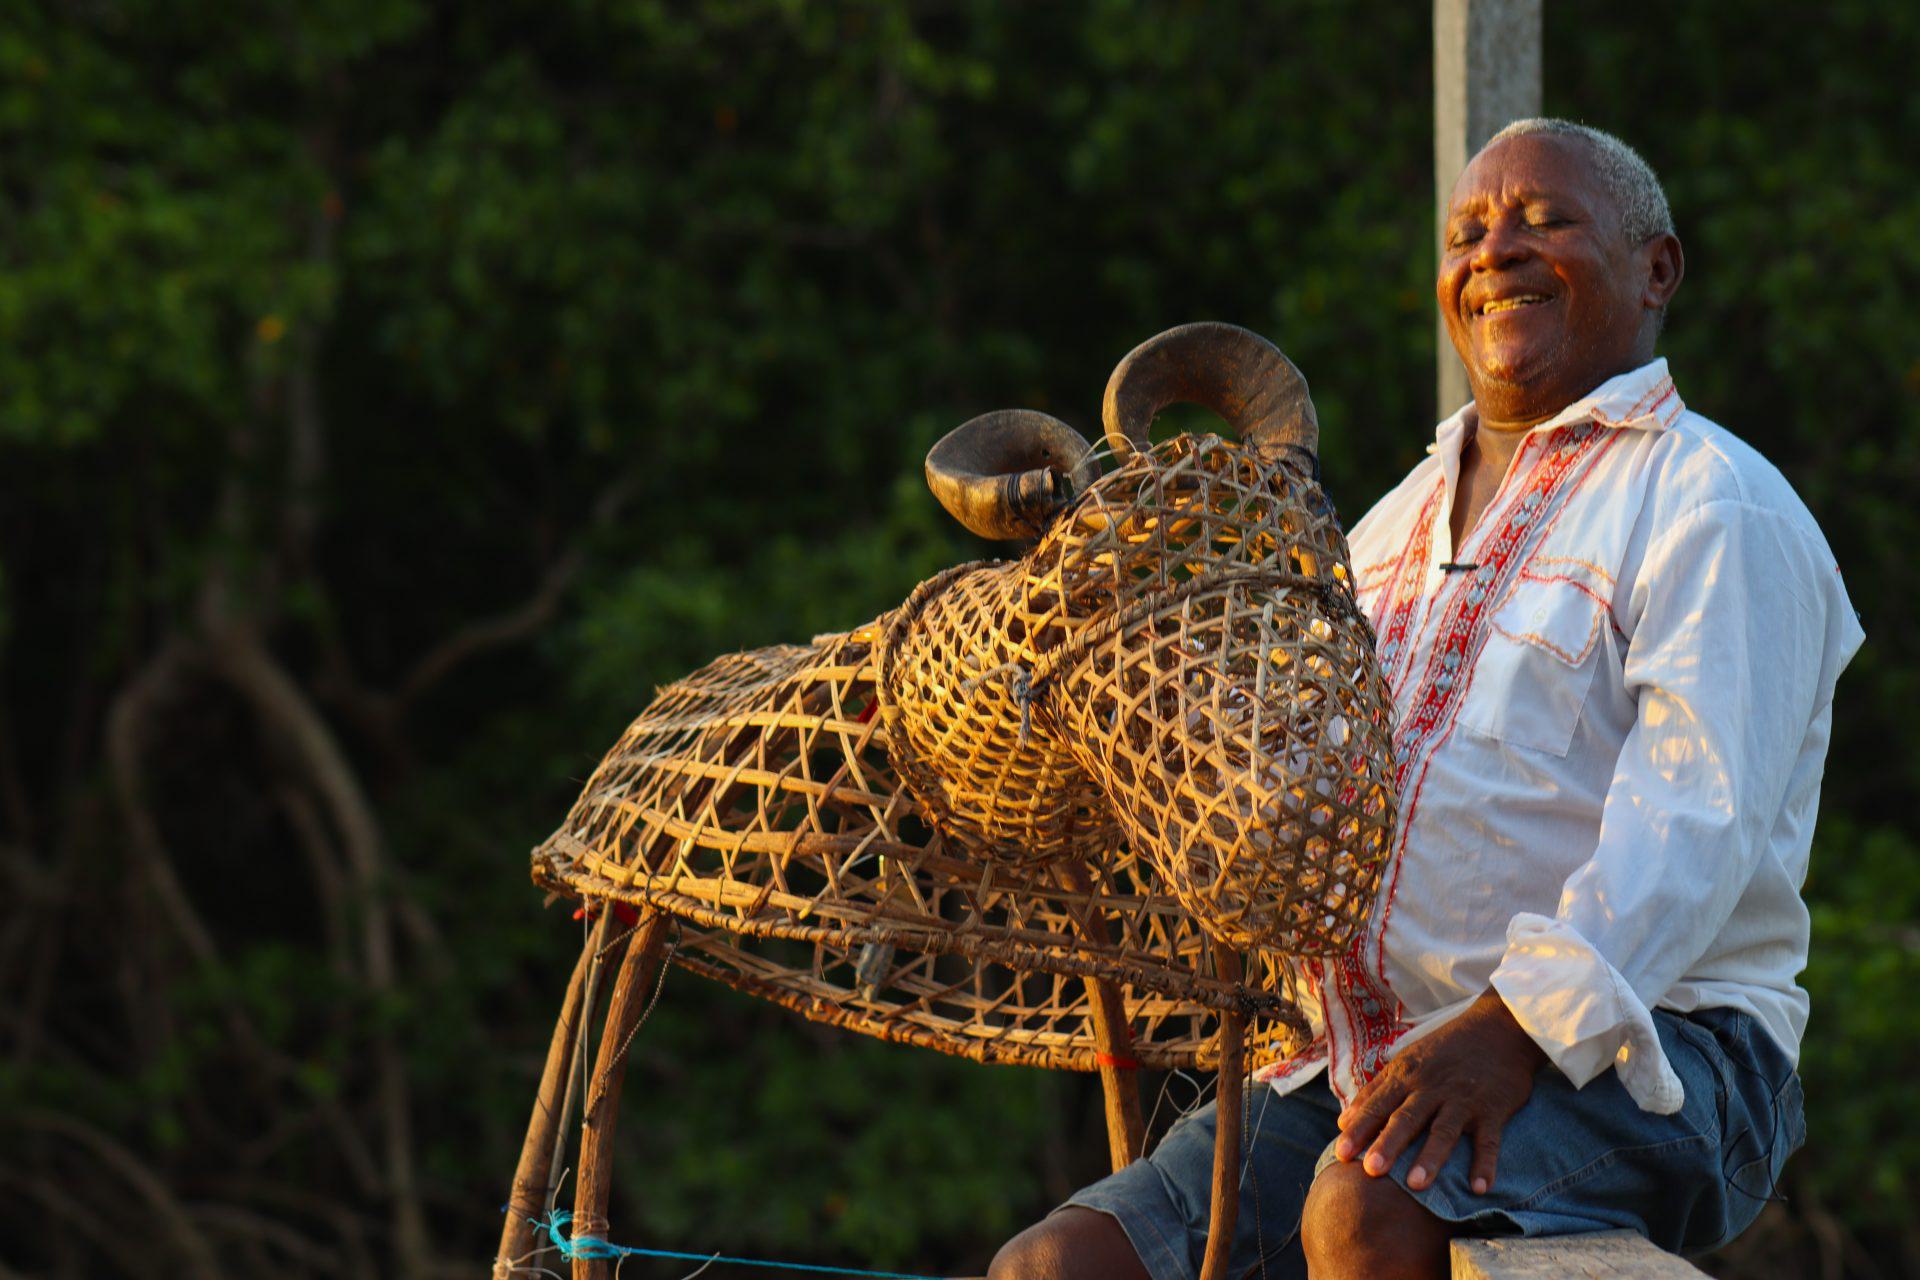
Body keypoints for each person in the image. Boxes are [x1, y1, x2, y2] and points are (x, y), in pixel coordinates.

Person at [987, 119, 1864, 1280]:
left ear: (1658, 272)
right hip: (1362, 1066)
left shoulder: (1716, 504)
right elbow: (1294, 789)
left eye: (1546, 220)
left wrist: (1510, 1032)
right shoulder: (1388, 525)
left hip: (1666, 1055)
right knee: (1058, 1264)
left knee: (1362, 1215)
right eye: (1467, 231)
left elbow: (1690, 831)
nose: (1495, 249)